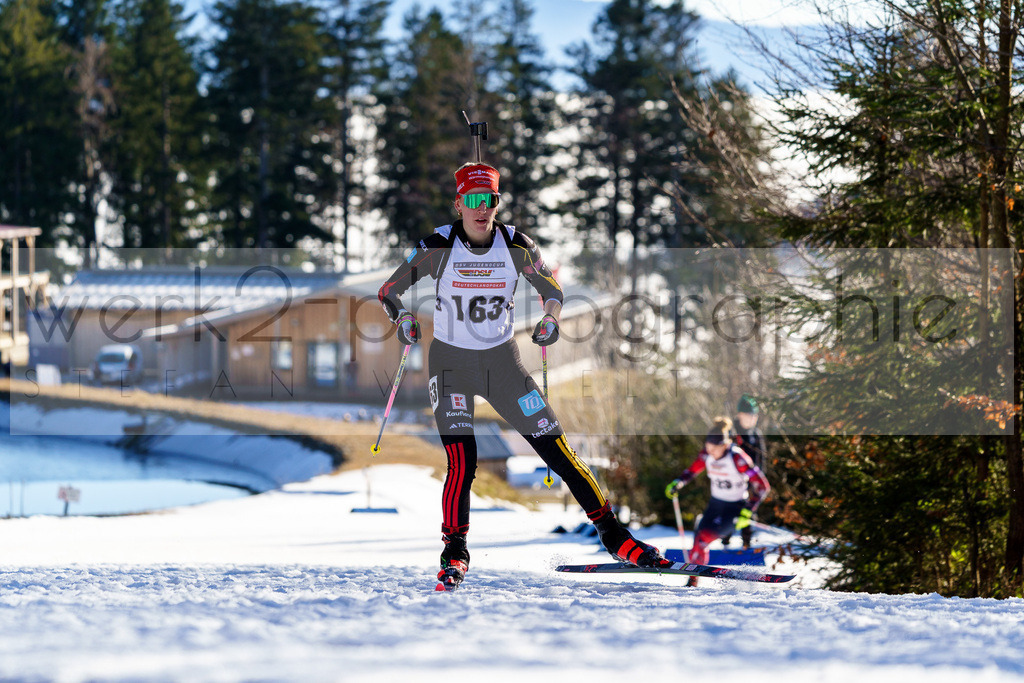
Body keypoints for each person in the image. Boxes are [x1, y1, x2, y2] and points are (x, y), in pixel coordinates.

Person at [378, 162, 668, 590]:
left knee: (557, 448)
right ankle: (454, 552)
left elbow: (552, 290)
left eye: (490, 200)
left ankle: (616, 538)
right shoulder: (438, 246)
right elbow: (389, 291)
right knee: (462, 460)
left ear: (497, 204)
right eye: (473, 200)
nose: (482, 209)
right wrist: (403, 319)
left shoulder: (517, 245)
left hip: (502, 364)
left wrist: (550, 319)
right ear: (459, 204)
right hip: (451, 365)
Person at [665, 416, 769, 586]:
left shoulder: (738, 458)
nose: (711, 452)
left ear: (725, 445)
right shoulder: (707, 454)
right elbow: (692, 470)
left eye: (714, 448)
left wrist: (748, 510)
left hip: (735, 507)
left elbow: (763, 486)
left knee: (704, 538)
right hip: (715, 505)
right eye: (708, 447)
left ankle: (696, 578)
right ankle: (693, 581)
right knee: (699, 538)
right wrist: (679, 482)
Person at [731, 394, 766, 548]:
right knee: (729, 512)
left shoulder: (756, 434)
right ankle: (724, 543)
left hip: (750, 479)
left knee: (748, 513)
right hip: (732, 480)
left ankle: (747, 545)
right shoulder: (731, 431)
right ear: (740, 415)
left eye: (755, 415)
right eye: (749, 415)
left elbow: (761, 459)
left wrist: (758, 479)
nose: (753, 419)